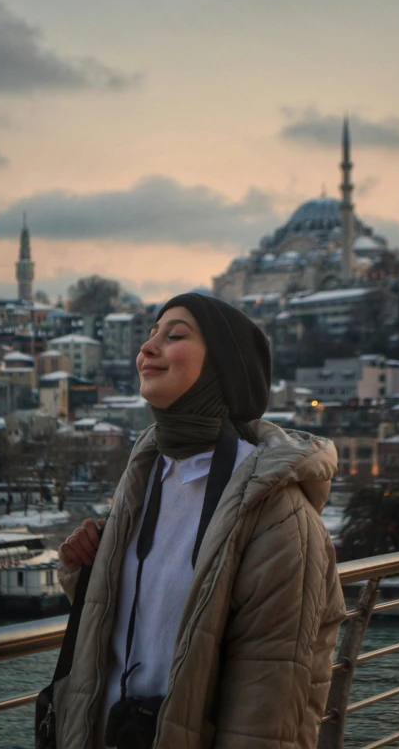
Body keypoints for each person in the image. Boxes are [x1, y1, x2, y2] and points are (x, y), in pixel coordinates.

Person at [55, 292, 345, 749]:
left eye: (174, 336)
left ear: (222, 368)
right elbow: (160, 619)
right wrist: (87, 572)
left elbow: (267, 710)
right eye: (150, 335)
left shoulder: (277, 515)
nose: (147, 349)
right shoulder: (147, 477)